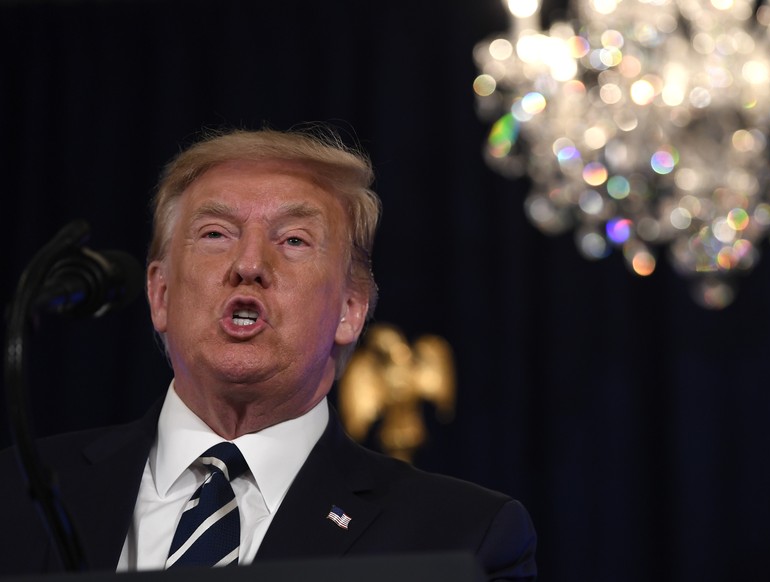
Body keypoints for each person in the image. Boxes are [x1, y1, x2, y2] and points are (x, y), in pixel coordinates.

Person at [0, 127, 537, 580]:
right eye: (215, 234)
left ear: (350, 310)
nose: (249, 263)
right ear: (160, 295)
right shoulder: (14, 497)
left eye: (294, 240)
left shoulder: (461, 537)